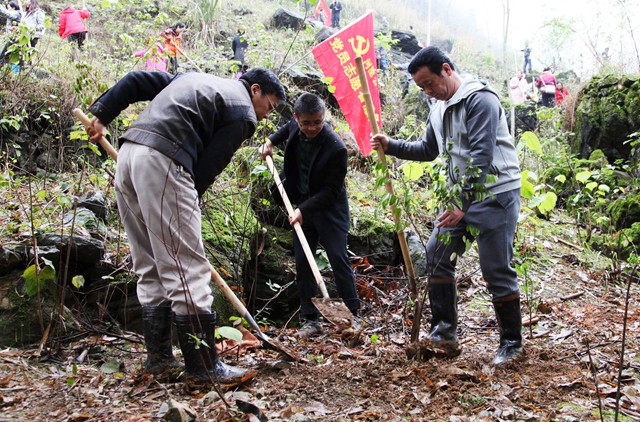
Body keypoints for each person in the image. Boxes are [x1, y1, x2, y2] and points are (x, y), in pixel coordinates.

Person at [85, 68, 286, 384]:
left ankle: (159, 359)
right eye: (269, 107)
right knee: (187, 268)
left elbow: (136, 80)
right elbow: (206, 168)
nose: (265, 116)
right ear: (255, 90)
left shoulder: (191, 79)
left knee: (150, 264)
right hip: (164, 161)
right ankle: (203, 367)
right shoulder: (243, 112)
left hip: (129, 156)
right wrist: (187, 205)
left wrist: (102, 115)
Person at [371, 46, 523, 366]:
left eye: (430, 83)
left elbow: (481, 156)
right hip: (462, 198)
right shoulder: (438, 107)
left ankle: (511, 343)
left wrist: (462, 205)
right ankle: (443, 333)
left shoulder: (480, 100)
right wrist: (391, 145)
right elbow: (428, 149)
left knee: (495, 267)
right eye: (421, 88)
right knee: (437, 252)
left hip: (496, 194)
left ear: (447, 70)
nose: (428, 91)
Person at [258, 93, 361, 338]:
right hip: (301, 203)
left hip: (329, 210)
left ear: (323, 117)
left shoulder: (336, 148)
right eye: (306, 123)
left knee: (338, 258)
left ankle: (354, 316)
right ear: (297, 118)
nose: (312, 128)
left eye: (317, 122)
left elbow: (331, 191)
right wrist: (270, 141)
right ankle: (311, 320)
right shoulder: (295, 125)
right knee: (303, 262)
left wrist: (303, 210)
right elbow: (286, 129)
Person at [0, 1, 21, 66]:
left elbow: (7, 14)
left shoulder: (16, 13)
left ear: (13, 8)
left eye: (8, 8)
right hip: (11, 37)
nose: (8, 9)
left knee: (5, 54)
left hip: (14, 38)